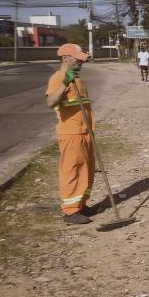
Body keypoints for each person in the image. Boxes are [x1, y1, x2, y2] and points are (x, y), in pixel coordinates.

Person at [44, 43, 95, 224]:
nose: (82, 61)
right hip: (71, 133)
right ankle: (70, 211)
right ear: (65, 58)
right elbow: (50, 102)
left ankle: (80, 204)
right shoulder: (58, 77)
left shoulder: (78, 79)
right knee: (72, 171)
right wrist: (65, 83)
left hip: (85, 132)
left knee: (87, 171)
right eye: (78, 58)